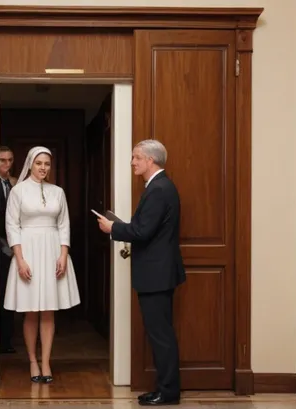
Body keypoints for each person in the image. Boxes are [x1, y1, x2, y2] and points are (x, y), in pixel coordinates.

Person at [97, 139, 185, 406]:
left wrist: (112, 228)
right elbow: (147, 228)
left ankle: (168, 392)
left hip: (156, 275)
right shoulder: (160, 186)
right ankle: (165, 389)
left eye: (136, 157)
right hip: (158, 273)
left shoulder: (158, 189)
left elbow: (142, 231)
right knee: (160, 333)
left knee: (161, 335)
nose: (132, 162)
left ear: (150, 160)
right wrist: (121, 227)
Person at [4, 146, 81, 383]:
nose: (43, 168)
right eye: (39, 163)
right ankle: (32, 362)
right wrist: (20, 259)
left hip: (52, 251)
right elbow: (12, 226)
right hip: (27, 252)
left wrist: (63, 255)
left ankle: (46, 362)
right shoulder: (18, 191)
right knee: (31, 311)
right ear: (30, 164)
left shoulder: (57, 192)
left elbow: (64, 224)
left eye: (47, 164)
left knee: (48, 311)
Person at [0, 146, 17, 354]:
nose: (7, 164)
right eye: (2, 160)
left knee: (11, 290)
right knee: (1, 289)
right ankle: (0, 340)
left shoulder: (14, 184)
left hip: (14, 244)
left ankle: (7, 339)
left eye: (10, 160)